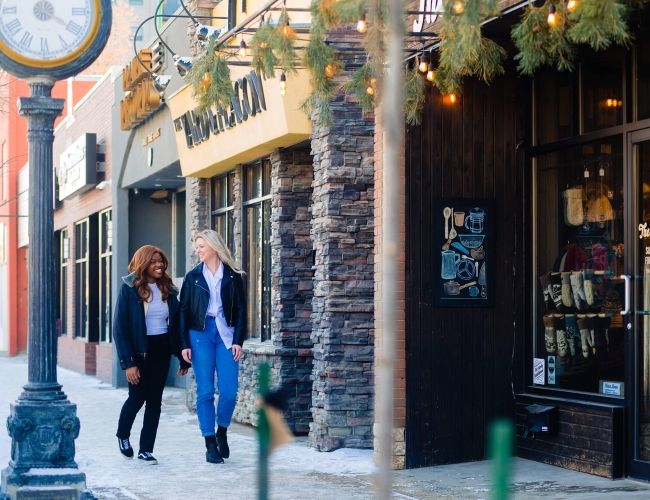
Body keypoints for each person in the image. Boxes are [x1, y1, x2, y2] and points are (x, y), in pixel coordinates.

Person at [113, 245, 190, 465]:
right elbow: (120, 328)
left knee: (154, 402)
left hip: (161, 349)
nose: (159, 265)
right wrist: (129, 363)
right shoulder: (129, 289)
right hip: (139, 352)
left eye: (161, 261)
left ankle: (146, 450)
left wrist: (182, 357)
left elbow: (177, 326)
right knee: (137, 398)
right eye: (154, 261)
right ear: (143, 264)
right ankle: (122, 434)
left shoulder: (169, 289)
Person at [179, 229, 246, 464]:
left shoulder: (233, 276)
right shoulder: (193, 277)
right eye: (196, 246)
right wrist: (184, 344)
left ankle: (222, 432)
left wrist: (238, 340)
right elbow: (183, 311)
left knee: (229, 391)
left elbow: (240, 310)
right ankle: (209, 443)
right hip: (200, 334)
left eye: (201, 246)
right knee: (205, 391)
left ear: (213, 247)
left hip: (226, 334)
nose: (198, 250)